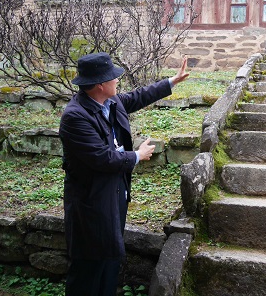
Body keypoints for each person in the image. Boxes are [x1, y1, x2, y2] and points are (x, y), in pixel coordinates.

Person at [59, 52, 189, 296]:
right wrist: (137, 155)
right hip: (90, 203)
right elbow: (102, 158)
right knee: (89, 264)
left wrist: (172, 81)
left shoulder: (111, 102)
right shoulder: (75, 117)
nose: (118, 81)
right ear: (100, 84)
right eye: (114, 78)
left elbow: (137, 97)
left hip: (114, 194)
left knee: (110, 257)